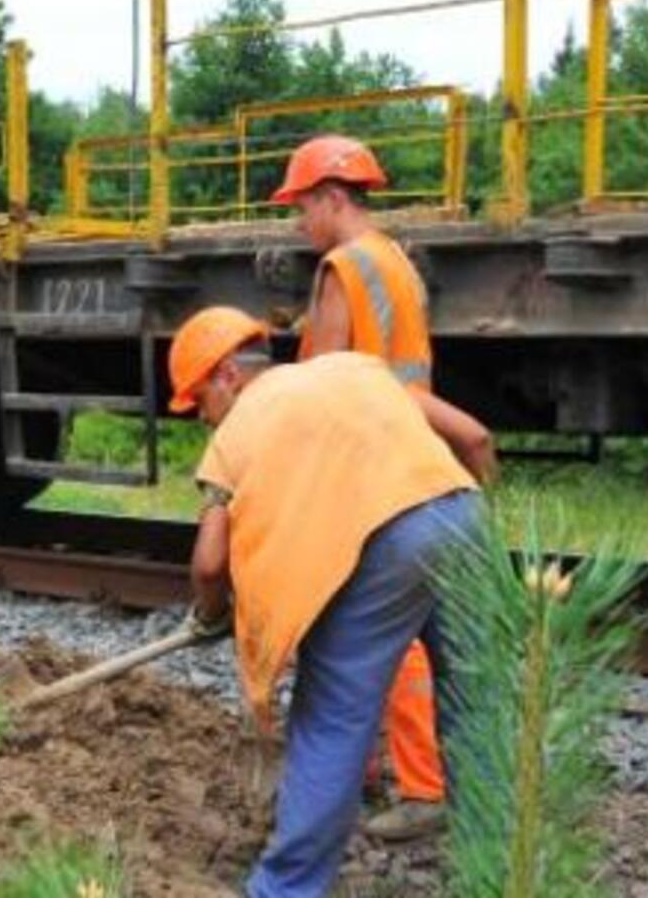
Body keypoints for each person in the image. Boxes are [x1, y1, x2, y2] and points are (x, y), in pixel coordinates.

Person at [168, 306, 496, 898]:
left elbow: (209, 563)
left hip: (389, 544)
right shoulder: (354, 369)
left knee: (331, 721)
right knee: (474, 704)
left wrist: (209, 616)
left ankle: (284, 889)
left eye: (199, 406)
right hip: (462, 515)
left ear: (225, 377)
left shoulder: (238, 431)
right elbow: (474, 437)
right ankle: (497, 868)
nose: (204, 423)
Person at [273, 134, 445, 840]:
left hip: (365, 465)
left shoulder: (342, 267)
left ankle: (421, 787)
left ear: (333, 199)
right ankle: (375, 773)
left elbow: (327, 384)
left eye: (303, 208)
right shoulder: (396, 260)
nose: (299, 225)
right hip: (409, 452)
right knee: (384, 622)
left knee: (378, 627)